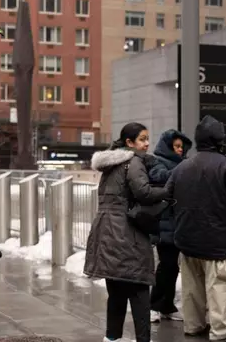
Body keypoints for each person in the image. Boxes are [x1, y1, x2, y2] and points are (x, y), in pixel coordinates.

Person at [166, 115, 226, 342]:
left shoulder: (182, 167)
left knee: (192, 289)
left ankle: (193, 326)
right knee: (220, 287)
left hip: (188, 240)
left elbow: (167, 198)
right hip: (220, 243)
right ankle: (220, 332)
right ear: (219, 140)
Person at [84, 122, 169, 342]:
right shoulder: (133, 161)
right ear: (129, 143)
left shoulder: (111, 165)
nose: (147, 143)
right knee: (140, 291)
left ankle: (112, 338)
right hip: (126, 232)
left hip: (105, 231)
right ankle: (143, 339)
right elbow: (143, 192)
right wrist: (168, 190)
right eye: (142, 139)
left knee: (116, 292)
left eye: (148, 138)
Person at [148, 129, 192, 323]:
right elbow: (160, 177)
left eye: (181, 147)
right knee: (166, 266)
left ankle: (167, 305)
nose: (180, 150)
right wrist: (182, 169)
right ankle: (154, 304)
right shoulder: (157, 161)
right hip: (165, 223)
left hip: (179, 223)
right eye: (176, 146)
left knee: (173, 267)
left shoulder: (183, 164)